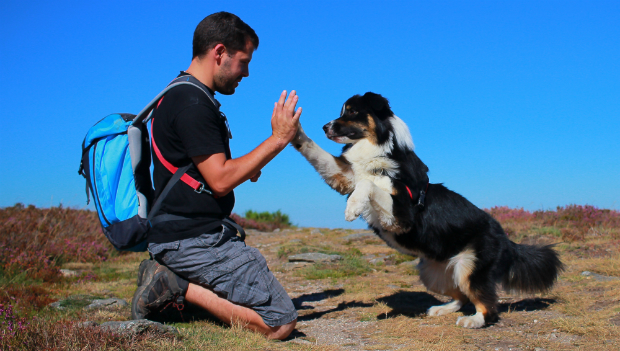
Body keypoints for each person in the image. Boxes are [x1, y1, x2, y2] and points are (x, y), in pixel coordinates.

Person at [131, 12, 301, 340]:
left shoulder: (180, 93)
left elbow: (206, 171)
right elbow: (220, 180)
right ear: (219, 52)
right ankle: (173, 284)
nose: (247, 73)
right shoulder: (192, 103)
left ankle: (177, 284)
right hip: (192, 239)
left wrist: (247, 168)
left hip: (184, 234)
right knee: (279, 322)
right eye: (243, 61)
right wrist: (279, 139)